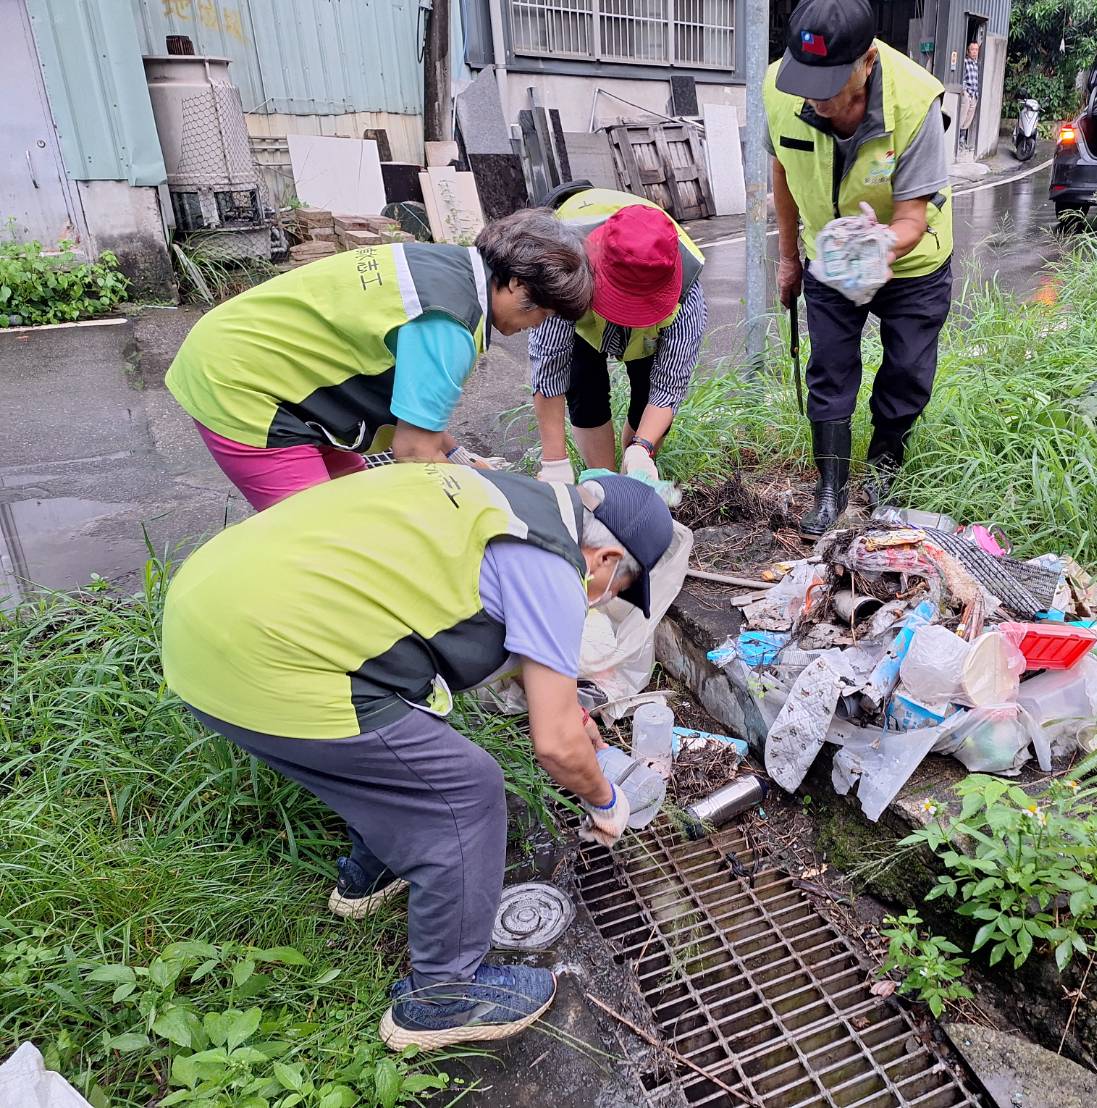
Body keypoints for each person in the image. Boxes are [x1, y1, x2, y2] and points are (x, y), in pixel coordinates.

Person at [162, 462, 673, 1049]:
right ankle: (444, 995)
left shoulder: (501, 497)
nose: (603, 602)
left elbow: (492, 642)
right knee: (465, 791)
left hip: (208, 614)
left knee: (399, 749)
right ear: (605, 561)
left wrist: (572, 716)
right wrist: (604, 799)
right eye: (619, 593)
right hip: (265, 654)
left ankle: (371, 873)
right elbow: (555, 745)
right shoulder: (553, 566)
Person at [166, 209, 593, 511]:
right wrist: (497, 506)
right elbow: (412, 450)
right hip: (244, 384)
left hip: (256, 353)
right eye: (543, 312)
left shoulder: (448, 267)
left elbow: (416, 415)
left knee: (362, 505)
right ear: (518, 283)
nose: (536, 326)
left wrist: (462, 457)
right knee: (323, 538)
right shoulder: (449, 325)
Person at [765, 0, 954, 537]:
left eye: (827, 82)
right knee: (829, 365)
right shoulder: (780, 90)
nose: (812, 97)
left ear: (867, 61)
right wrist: (787, 258)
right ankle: (831, 490)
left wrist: (878, 242)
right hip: (829, 252)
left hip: (910, 258)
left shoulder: (916, 103)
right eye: (805, 80)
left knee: (908, 370)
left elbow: (915, 217)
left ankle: (884, 467)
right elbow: (784, 171)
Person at [527, 187, 707, 487]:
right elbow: (549, 369)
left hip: (649, 336)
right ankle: (605, 481)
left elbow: (667, 389)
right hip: (581, 303)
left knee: (646, 394)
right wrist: (554, 461)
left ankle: (629, 480)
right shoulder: (562, 265)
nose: (627, 318)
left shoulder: (686, 294)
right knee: (583, 385)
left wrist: (642, 450)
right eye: (622, 304)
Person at [960, 41, 981, 142]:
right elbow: (962, 77)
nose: (974, 52)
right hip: (967, 92)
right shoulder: (965, 61)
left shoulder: (976, 64)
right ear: (968, 51)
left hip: (974, 94)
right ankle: (957, 136)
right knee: (963, 114)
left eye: (976, 50)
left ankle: (962, 138)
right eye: (972, 49)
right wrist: (964, 91)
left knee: (970, 116)